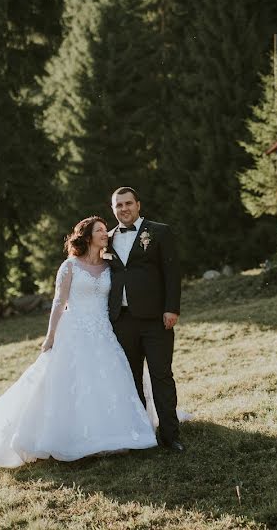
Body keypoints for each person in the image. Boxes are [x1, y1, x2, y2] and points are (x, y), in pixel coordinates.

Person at [0, 216, 157, 468]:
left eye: (105, 230)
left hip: (103, 331)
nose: (106, 234)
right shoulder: (70, 266)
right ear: (87, 236)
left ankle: (114, 434)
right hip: (74, 331)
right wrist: (50, 337)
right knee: (71, 382)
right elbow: (58, 303)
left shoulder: (112, 266)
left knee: (108, 380)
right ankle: (73, 437)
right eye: (100, 230)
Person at [106, 186, 185, 452]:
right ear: (113, 209)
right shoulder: (106, 239)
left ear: (138, 205)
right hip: (122, 320)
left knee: (161, 375)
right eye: (119, 205)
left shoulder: (159, 231)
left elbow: (172, 272)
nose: (124, 209)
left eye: (128, 203)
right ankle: (141, 434)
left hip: (155, 318)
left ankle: (171, 435)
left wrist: (171, 308)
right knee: (131, 378)